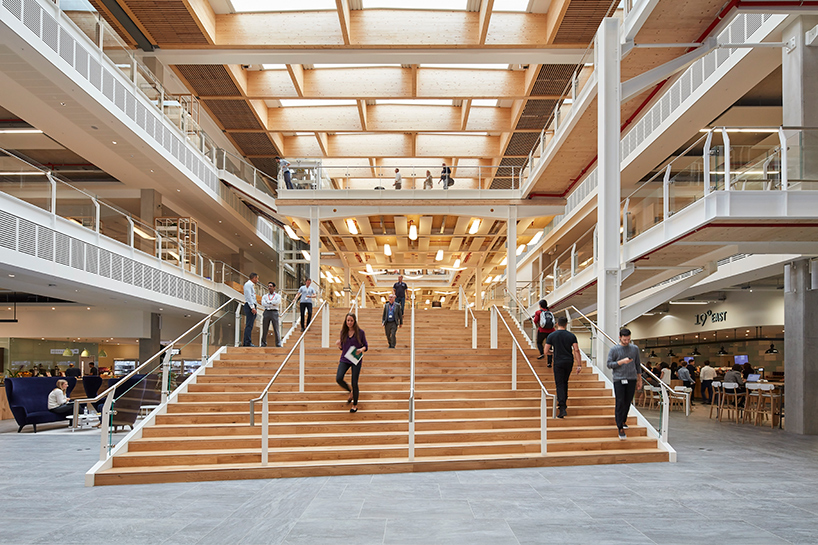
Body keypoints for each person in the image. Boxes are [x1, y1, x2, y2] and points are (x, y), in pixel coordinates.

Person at [606, 328, 642, 440]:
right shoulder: (614, 350)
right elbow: (609, 364)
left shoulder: (634, 349)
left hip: (631, 378)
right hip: (619, 379)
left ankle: (623, 420)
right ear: (620, 337)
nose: (627, 341)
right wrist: (621, 362)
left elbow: (638, 365)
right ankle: (620, 426)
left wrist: (639, 380)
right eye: (625, 339)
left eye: (629, 339)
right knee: (620, 401)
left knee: (628, 401)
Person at [544, 317, 582, 418]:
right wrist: (579, 364)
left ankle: (562, 407)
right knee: (565, 382)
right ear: (566, 324)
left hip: (558, 362)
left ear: (557, 324)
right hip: (569, 361)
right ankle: (563, 403)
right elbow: (576, 350)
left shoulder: (551, 335)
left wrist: (553, 352)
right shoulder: (571, 336)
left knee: (559, 384)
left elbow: (545, 351)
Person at [335, 313, 368, 413]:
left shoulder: (360, 332)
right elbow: (342, 348)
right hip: (345, 358)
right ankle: (351, 391)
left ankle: (355, 405)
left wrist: (361, 349)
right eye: (348, 320)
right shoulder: (343, 332)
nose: (349, 322)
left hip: (355, 358)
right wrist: (339, 345)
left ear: (354, 321)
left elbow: (366, 346)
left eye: (351, 320)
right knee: (339, 378)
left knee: (355, 381)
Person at [533, 299, 555, 367]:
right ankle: (549, 363)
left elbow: (535, 321)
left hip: (542, 330)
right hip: (551, 331)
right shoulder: (550, 312)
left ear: (540, 305)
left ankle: (542, 353)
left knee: (539, 342)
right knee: (549, 346)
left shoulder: (538, 312)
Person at [260, 282, 282, 348]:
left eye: (271, 286)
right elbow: (263, 303)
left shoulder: (278, 296)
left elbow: (277, 302)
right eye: (268, 286)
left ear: (274, 287)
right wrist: (272, 303)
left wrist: (269, 302)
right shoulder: (265, 296)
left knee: (276, 328)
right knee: (265, 328)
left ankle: (278, 344)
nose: (269, 287)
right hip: (267, 312)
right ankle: (263, 343)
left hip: (274, 312)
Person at [242, 272, 259, 347]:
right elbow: (249, 296)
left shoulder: (250, 285)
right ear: (254, 278)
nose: (257, 280)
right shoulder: (248, 285)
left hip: (251, 305)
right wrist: (252, 307)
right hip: (249, 306)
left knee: (250, 325)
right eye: (257, 279)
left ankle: (247, 341)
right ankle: (247, 342)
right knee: (249, 325)